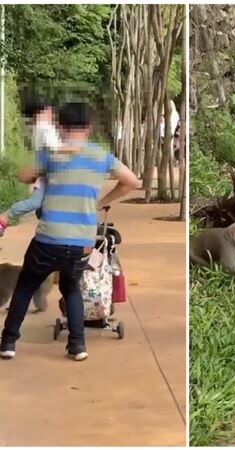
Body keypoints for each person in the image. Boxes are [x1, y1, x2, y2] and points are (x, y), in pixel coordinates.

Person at [0, 102, 139, 361]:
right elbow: (131, 181)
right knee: (71, 287)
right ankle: (77, 346)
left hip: (47, 238)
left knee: (25, 286)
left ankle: (8, 343)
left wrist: (45, 163)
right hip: (81, 241)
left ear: (60, 127)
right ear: (88, 128)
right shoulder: (100, 156)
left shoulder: (52, 153)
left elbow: (24, 175)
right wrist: (99, 202)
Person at [0, 99, 80, 237]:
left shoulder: (39, 127)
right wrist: (76, 149)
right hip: (49, 172)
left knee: (46, 204)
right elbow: (56, 148)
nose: (52, 113)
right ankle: (4, 217)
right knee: (37, 202)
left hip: (48, 171)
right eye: (49, 110)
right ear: (41, 112)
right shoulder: (45, 127)